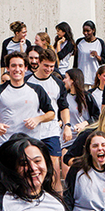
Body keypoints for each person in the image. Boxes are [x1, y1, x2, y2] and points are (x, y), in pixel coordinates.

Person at [0, 52, 55, 150]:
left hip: (31, 146)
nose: (17, 69)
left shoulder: (37, 90)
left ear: (25, 68)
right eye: (13, 66)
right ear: (8, 68)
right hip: (6, 145)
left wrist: (38, 119)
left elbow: (51, 114)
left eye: (20, 66)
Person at [25, 48, 70, 179]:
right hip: (32, 130)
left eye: (52, 66)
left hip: (51, 130)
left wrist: (67, 125)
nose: (49, 69)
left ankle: (57, 197)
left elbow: (63, 107)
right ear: (39, 62)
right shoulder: (28, 81)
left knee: (53, 169)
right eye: (46, 65)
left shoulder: (58, 83)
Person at [61, 69, 99, 155]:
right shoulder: (63, 96)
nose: (63, 80)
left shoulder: (87, 97)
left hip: (83, 137)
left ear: (73, 80)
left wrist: (84, 124)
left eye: (66, 77)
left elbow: (97, 116)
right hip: (67, 138)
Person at [75, 21, 105, 92]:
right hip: (82, 74)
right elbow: (76, 59)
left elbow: (104, 59)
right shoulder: (79, 42)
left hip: (95, 75)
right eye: (84, 31)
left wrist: (97, 56)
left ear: (93, 30)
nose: (85, 33)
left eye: (88, 31)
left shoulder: (100, 42)